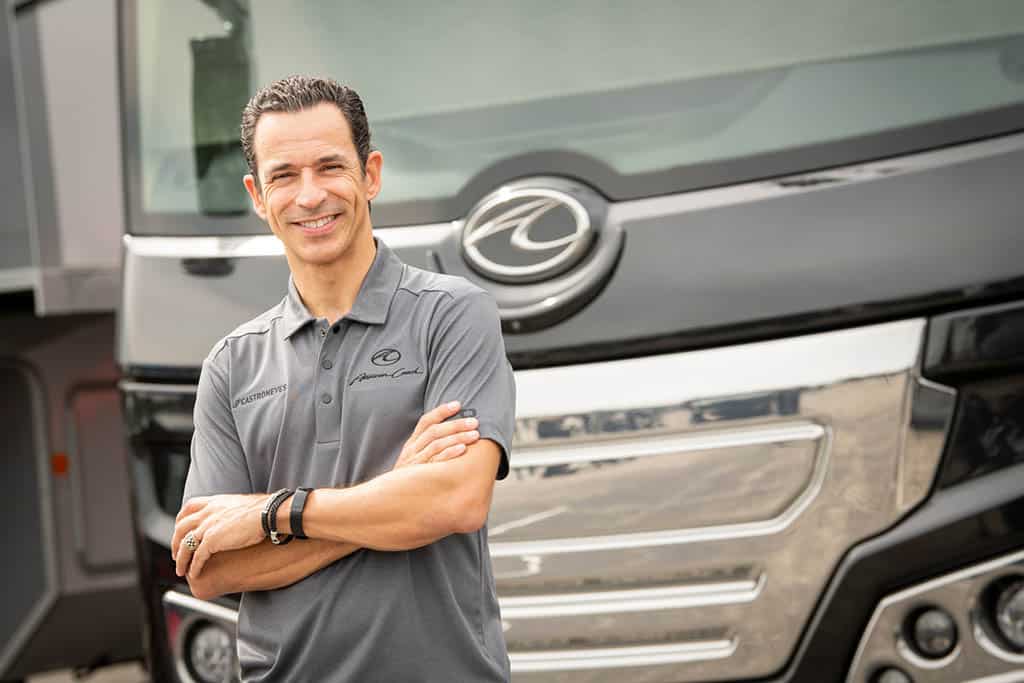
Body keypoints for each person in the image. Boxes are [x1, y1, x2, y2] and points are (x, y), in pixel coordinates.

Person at [170, 75, 516, 682]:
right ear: (257, 194)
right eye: (284, 175)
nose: (309, 196)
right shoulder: (232, 363)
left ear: (371, 174)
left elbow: (458, 500)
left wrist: (269, 516)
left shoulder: (453, 314)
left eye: (330, 166)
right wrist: (395, 494)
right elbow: (209, 568)